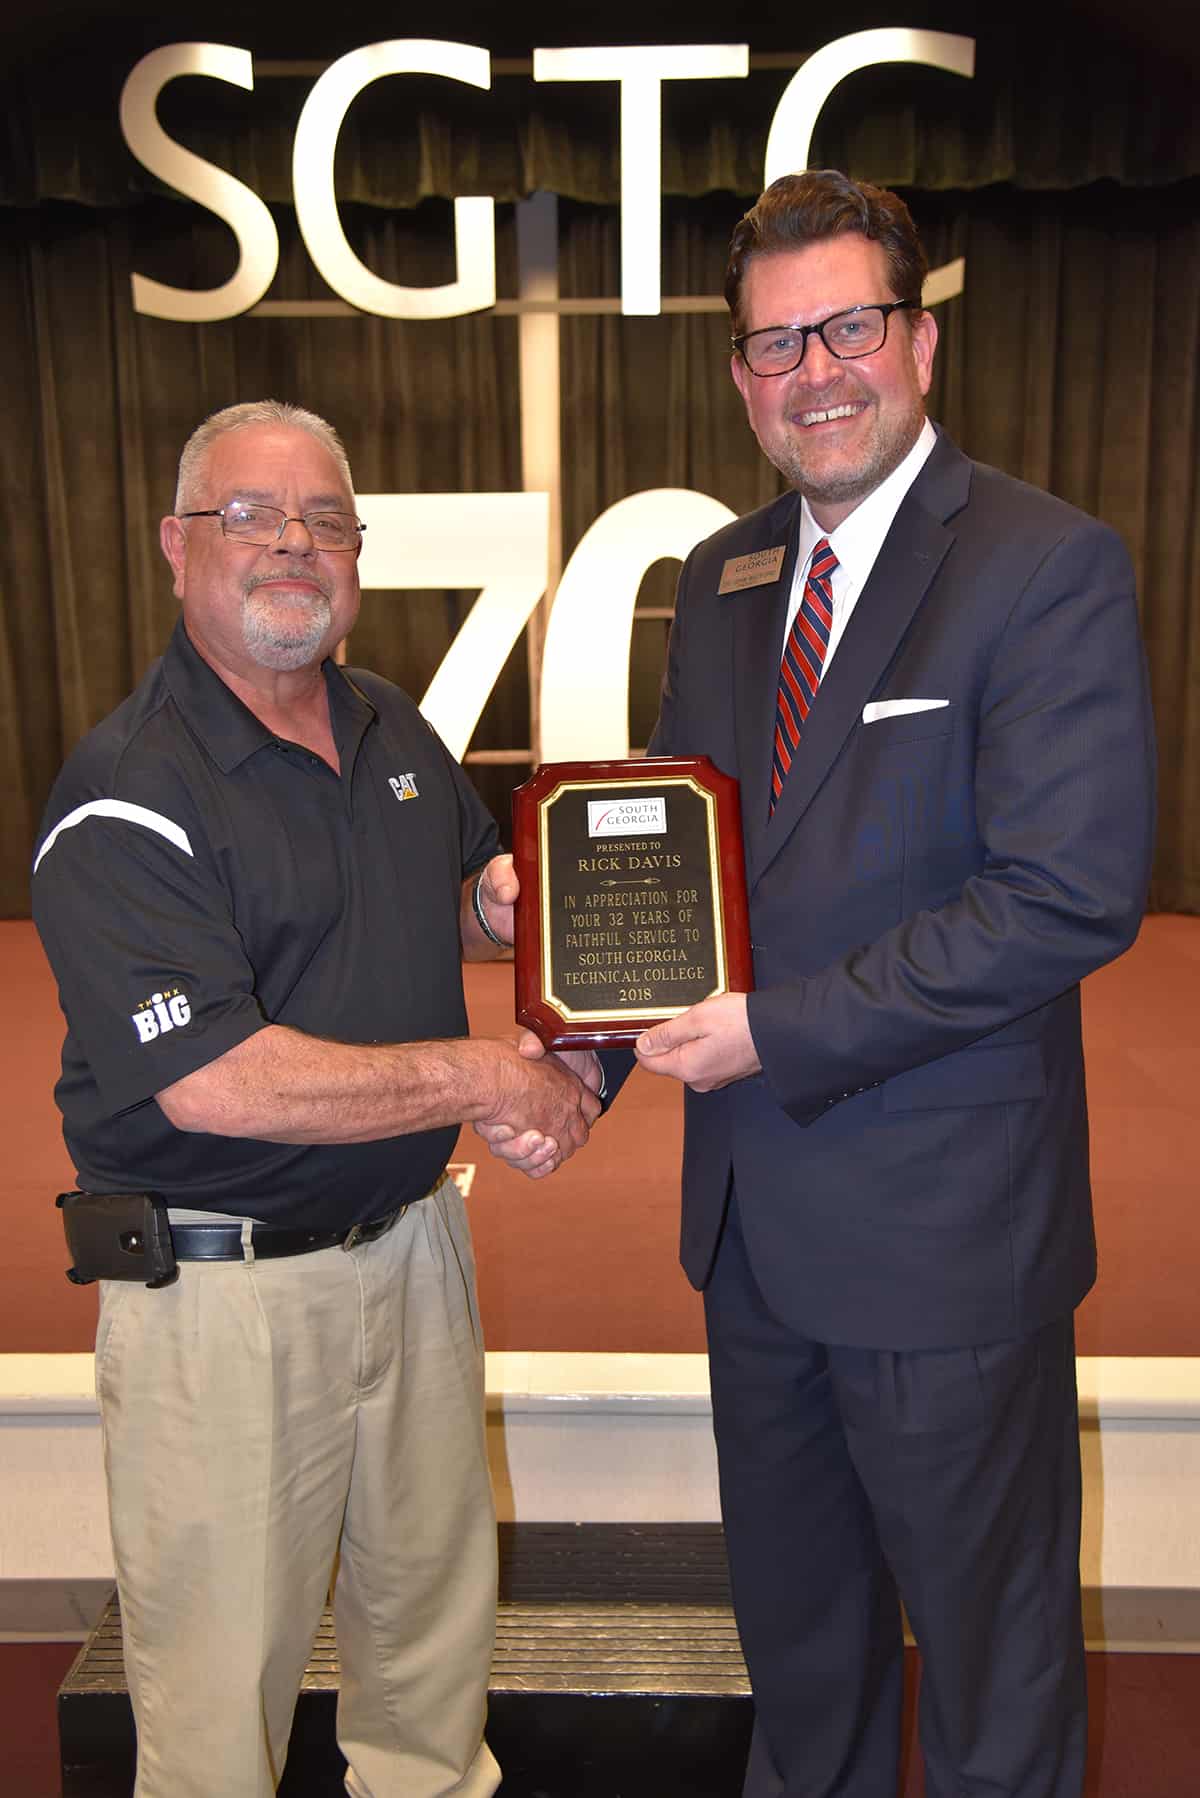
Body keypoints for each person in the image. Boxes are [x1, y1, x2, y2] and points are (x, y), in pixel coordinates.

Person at [483, 171, 1157, 1796]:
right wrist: (582, 1012)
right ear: (739, 375)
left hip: (947, 1243)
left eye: (849, 327)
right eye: (777, 343)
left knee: (995, 1688)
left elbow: (1065, 893)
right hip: (754, 1248)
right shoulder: (720, 579)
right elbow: (693, 868)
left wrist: (775, 1030)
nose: (816, 372)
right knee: (804, 1662)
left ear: (918, 341)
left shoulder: (1043, 565)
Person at [31, 398, 599, 1798]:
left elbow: (458, 896)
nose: (293, 543)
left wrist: (524, 899)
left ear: (359, 552)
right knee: (218, 1715)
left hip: (411, 1256)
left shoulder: (388, 722)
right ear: (176, 546)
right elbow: (220, 1079)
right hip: (221, 1308)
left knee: (426, 1678)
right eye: (252, 515)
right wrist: (486, 1074)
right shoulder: (127, 794)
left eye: (325, 520)